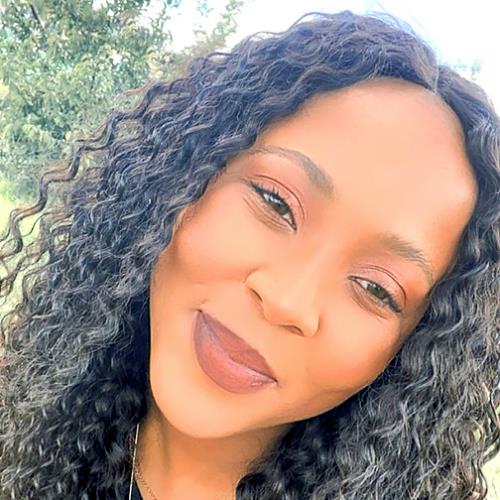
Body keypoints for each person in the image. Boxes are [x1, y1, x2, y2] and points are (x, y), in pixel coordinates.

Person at [0, 9, 498, 500]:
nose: (286, 300)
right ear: (183, 178)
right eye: (276, 202)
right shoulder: (19, 408)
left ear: (414, 349)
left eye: (376, 288)